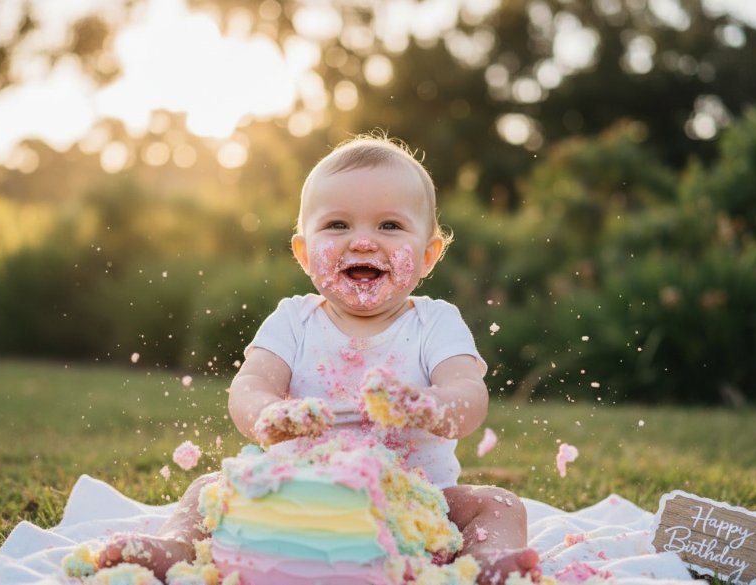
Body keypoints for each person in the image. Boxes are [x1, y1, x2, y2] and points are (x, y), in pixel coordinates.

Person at [98, 134, 540, 584]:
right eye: (337, 225)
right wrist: (268, 414)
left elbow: (469, 393)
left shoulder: (435, 323)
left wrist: (428, 406)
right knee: (206, 489)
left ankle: (489, 562)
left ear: (428, 255)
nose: (363, 242)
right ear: (305, 254)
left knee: (497, 504)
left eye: (389, 225)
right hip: (292, 496)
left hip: (415, 506)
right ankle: (175, 548)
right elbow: (250, 386)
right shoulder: (294, 320)